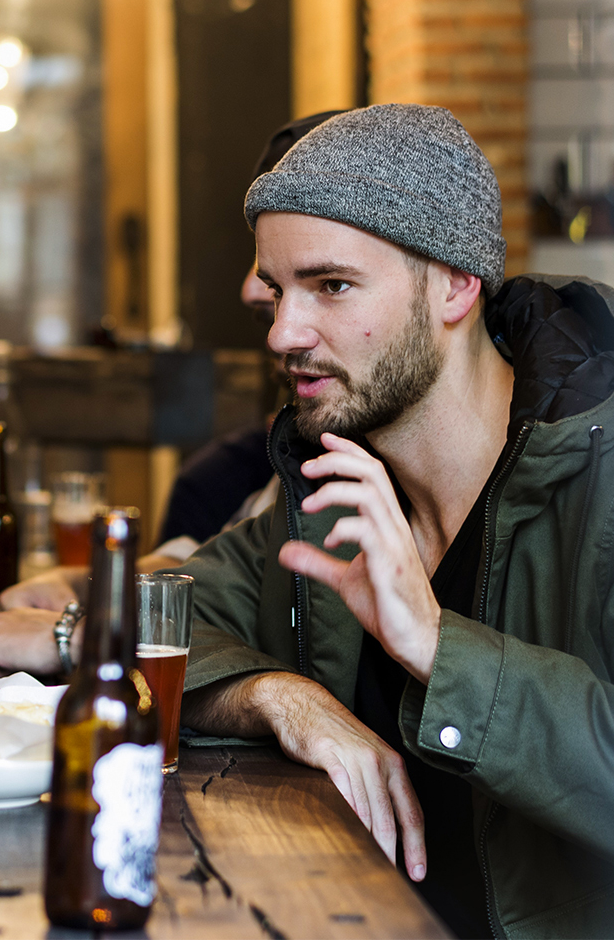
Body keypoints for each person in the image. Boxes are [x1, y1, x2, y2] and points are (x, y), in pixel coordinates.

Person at [174, 105, 614, 937]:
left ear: (455, 282)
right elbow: (144, 613)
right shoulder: (339, 487)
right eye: (277, 291)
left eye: (331, 286)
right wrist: (284, 698)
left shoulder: (601, 477)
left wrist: (439, 649)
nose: (283, 332)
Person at [0, 111, 345, 677]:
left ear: (454, 283)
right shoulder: (296, 451)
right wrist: (87, 587)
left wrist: (75, 631)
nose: (257, 298)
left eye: (329, 282)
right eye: (271, 274)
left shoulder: (374, 441)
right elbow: (223, 579)